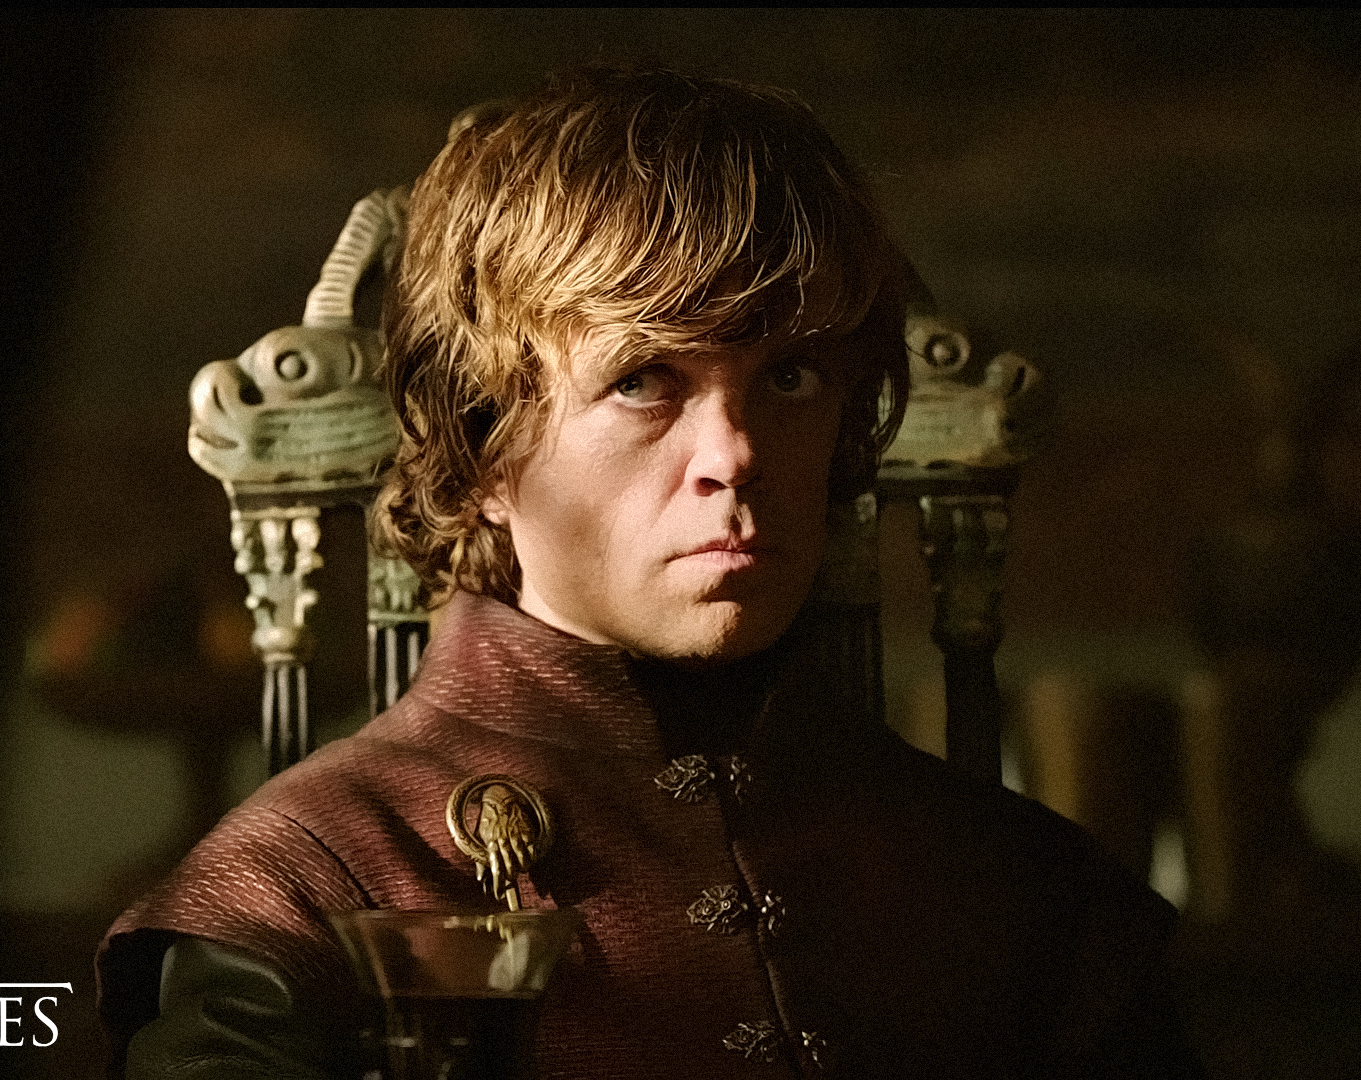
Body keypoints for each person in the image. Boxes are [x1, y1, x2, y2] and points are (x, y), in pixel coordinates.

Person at [97, 65, 1199, 1079]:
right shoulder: (297, 894)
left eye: (792, 376)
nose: (736, 455)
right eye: (642, 381)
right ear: (481, 444)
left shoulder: (1034, 899)